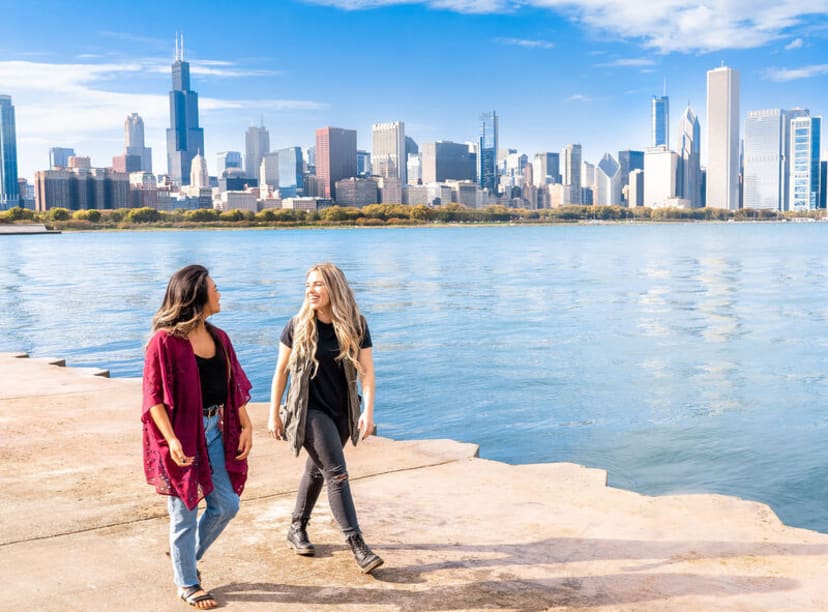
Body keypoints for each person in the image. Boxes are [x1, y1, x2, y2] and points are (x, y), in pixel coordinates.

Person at [142, 264, 253, 609]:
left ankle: (183, 557)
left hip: (214, 430)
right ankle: (188, 582)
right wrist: (172, 440)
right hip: (181, 436)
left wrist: (246, 424)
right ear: (196, 295)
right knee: (184, 512)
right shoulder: (165, 341)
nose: (220, 294)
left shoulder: (220, 337)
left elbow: (233, 385)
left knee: (226, 505)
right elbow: (153, 397)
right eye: (215, 289)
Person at [268, 262, 383, 574]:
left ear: (334, 287)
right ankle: (356, 543)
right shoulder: (297, 325)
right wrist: (273, 414)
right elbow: (280, 372)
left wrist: (367, 413)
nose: (311, 290)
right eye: (308, 284)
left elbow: (368, 374)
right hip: (308, 411)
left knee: (318, 469)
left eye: (317, 284)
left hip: (343, 411)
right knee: (336, 472)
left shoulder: (356, 324)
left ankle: (297, 527)